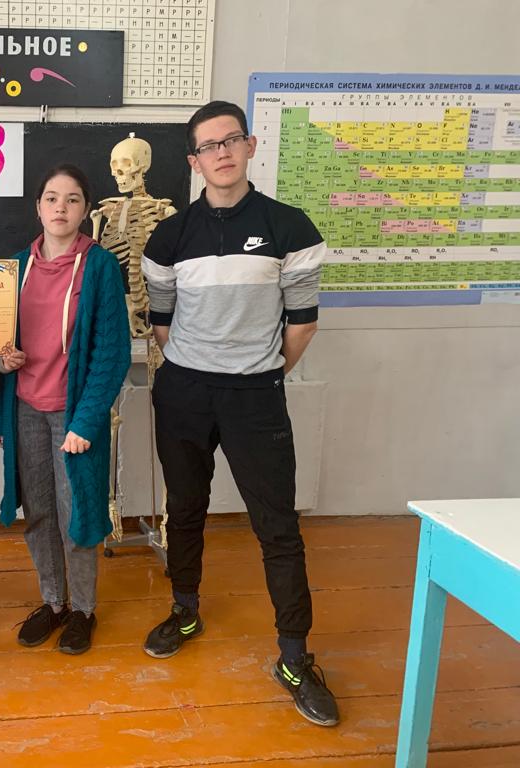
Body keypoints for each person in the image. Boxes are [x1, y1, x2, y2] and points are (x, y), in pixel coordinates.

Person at [141, 101, 339, 726]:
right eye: (208, 146)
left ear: (250, 147)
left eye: (230, 140)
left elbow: (302, 324)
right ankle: (185, 609)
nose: (221, 153)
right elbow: (163, 325)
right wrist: (203, 366)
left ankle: (294, 656)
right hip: (184, 393)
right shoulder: (169, 237)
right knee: (185, 508)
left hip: (255, 395)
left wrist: (260, 370)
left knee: (277, 525)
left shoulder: (290, 227)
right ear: (194, 161)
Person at [0, 164, 130, 655]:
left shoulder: (100, 267)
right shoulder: (13, 268)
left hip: (73, 418)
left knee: (78, 516)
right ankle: (54, 603)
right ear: (38, 207)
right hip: (24, 411)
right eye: (51, 198)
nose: (61, 208)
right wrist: (3, 362)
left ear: (85, 209)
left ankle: (84, 611)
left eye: (72, 199)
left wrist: (86, 421)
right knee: (39, 514)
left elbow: (112, 354)